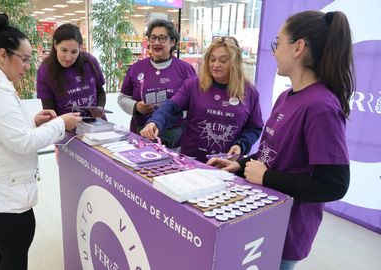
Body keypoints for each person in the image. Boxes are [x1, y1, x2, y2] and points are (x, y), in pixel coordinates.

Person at [207, 11, 353, 270]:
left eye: (278, 43)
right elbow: (272, 155)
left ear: (298, 48)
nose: (274, 52)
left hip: (286, 232)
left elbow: (333, 184)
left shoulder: (321, 106)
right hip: (261, 220)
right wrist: (240, 165)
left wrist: (266, 178)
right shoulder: (286, 97)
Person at [0, 14, 81, 270]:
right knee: (14, 252)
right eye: (23, 59)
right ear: (2, 55)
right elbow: (22, 142)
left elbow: (2, 130)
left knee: (0, 249)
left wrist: (34, 121)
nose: (26, 66)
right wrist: (60, 123)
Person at [140, 37, 263, 163]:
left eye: (223, 60)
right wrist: (155, 122)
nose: (215, 65)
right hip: (191, 162)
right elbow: (171, 106)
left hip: (227, 165)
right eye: (212, 59)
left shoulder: (249, 93)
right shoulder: (193, 85)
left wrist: (241, 145)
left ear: (235, 63)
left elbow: (254, 128)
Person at [118, 19, 196, 148]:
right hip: (140, 135)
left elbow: (195, 104)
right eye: (153, 38)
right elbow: (122, 98)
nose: (156, 43)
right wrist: (136, 106)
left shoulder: (185, 70)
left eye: (162, 38)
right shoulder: (136, 68)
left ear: (173, 42)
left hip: (174, 138)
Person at [37, 23, 106, 116]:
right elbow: (50, 111)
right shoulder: (45, 70)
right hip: (66, 127)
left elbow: (100, 92)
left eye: (74, 52)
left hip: (96, 125)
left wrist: (100, 108)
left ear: (80, 48)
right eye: (64, 50)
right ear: (55, 45)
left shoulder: (90, 62)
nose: (68, 57)